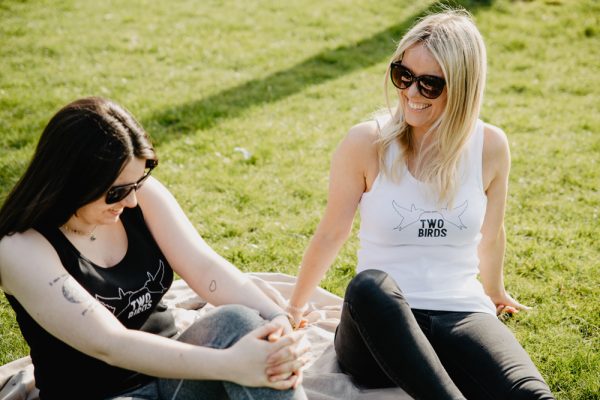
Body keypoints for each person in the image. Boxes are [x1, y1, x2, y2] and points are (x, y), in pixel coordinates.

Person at [286, 9, 554, 400]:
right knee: (367, 286)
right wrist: (294, 306)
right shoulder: (366, 144)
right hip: (377, 326)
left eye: (429, 84)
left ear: (462, 87)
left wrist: (495, 291)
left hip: (460, 312)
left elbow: (491, 234)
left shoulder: (491, 146)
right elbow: (332, 231)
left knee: (531, 395)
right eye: (403, 75)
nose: (411, 93)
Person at [0, 97, 308, 400]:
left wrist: (277, 319)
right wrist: (234, 364)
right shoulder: (19, 247)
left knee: (243, 323)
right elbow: (109, 343)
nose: (131, 201)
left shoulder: (138, 198)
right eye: (117, 191)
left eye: (137, 183)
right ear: (73, 180)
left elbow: (204, 267)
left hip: (178, 376)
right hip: (104, 394)